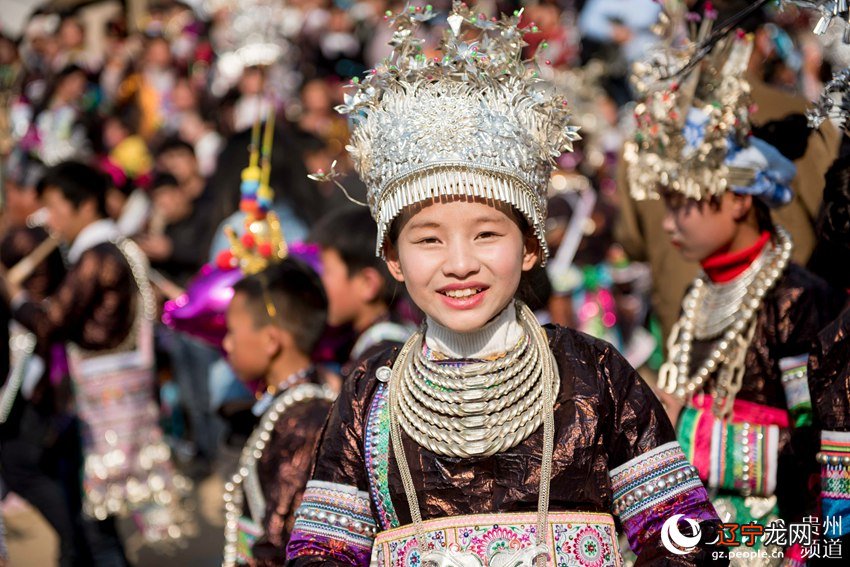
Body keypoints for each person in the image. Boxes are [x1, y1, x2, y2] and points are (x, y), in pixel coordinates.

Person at [286, 6, 722, 565]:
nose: (460, 264)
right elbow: (320, 552)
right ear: (392, 259)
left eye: (487, 234)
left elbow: (686, 538)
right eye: (429, 241)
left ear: (532, 246)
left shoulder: (595, 375)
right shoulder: (372, 393)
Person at [626, 25, 844, 563]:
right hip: (703, 522)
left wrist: (687, 426)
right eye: (667, 204)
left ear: (741, 201)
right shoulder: (702, 290)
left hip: (782, 536)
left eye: (686, 202)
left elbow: (814, 443)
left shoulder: (797, 301)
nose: (670, 222)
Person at [1, 161, 188, 560]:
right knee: (92, 525)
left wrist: (13, 296)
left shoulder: (97, 256)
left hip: (104, 407)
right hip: (112, 400)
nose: (49, 219)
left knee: (94, 526)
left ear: (83, 206)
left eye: (53, 206)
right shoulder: (113, 249)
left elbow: (51, 323)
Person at [221, 259, 337, 566]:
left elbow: (281, 536)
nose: (226, 343)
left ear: (271, 341)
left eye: (232, 331)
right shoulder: (290, 408)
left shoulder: (304, 422)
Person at [309, 207, 412, 369]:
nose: (319, 281)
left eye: (326, 271)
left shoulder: (382, 360)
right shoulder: (374, 347)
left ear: (368, 284)